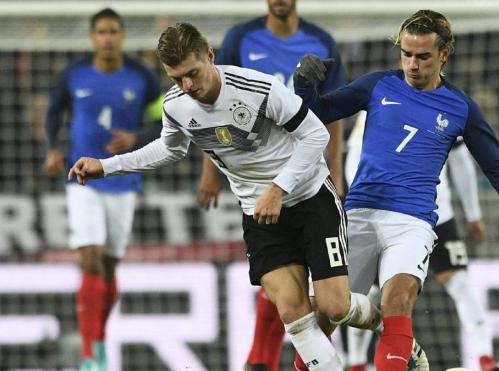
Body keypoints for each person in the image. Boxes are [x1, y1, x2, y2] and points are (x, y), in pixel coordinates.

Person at [67, 23, 381, 371]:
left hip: (309, 199)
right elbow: (168, 150)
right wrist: (107, 166)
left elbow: (315, 136)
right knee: (293, 311)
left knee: (334, 307)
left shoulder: (258, 88)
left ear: (210, 57)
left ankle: (385, 324)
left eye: (192, 73)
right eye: (177, 79)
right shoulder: (177, 106)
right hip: (260, 215)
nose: (187, 86)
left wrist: (278, 188)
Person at [293, 9, 499, 370]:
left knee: (397, 302)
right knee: (327, 315)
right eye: (406, 54)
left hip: (413, 221)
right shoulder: (377, 85)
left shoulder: (461, 108)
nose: (412, 64)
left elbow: (497, 167)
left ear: (445, 53)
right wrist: (303, 82)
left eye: (422, 56)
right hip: (359, 212)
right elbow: (317, 112)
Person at [193, 1, 348, 369]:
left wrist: (337, 173)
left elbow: (332, 113)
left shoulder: (321, 41)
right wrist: (210, 174)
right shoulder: (241, 38)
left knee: (328, 293)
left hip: (308, 173)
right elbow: (212, 105)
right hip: (258, 171)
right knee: (281, 267)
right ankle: (264, 358)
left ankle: (287, 358)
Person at [42, 8, 162, 371]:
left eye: (113, 31)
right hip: (81, 177)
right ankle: (89, 353)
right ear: (92, 37)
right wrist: (51, 147)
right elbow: (53, 112)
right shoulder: (74, 74)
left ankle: (98, 340)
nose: (107, 38)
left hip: (123, 180)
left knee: (109, 268)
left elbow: (164, 121)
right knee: (90, 257)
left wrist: (136, 138)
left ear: (122, 36)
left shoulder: (142, 76)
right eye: (101, 32)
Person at [343, 114, 499, 371]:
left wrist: (473, 215)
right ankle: (357, 363)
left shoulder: (450, 108)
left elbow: (461, 160)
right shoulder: (376, 104)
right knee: (370, 293)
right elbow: (355, 157)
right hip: (387, 217)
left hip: (436, 213)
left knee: (459, 281)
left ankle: (486, 360)